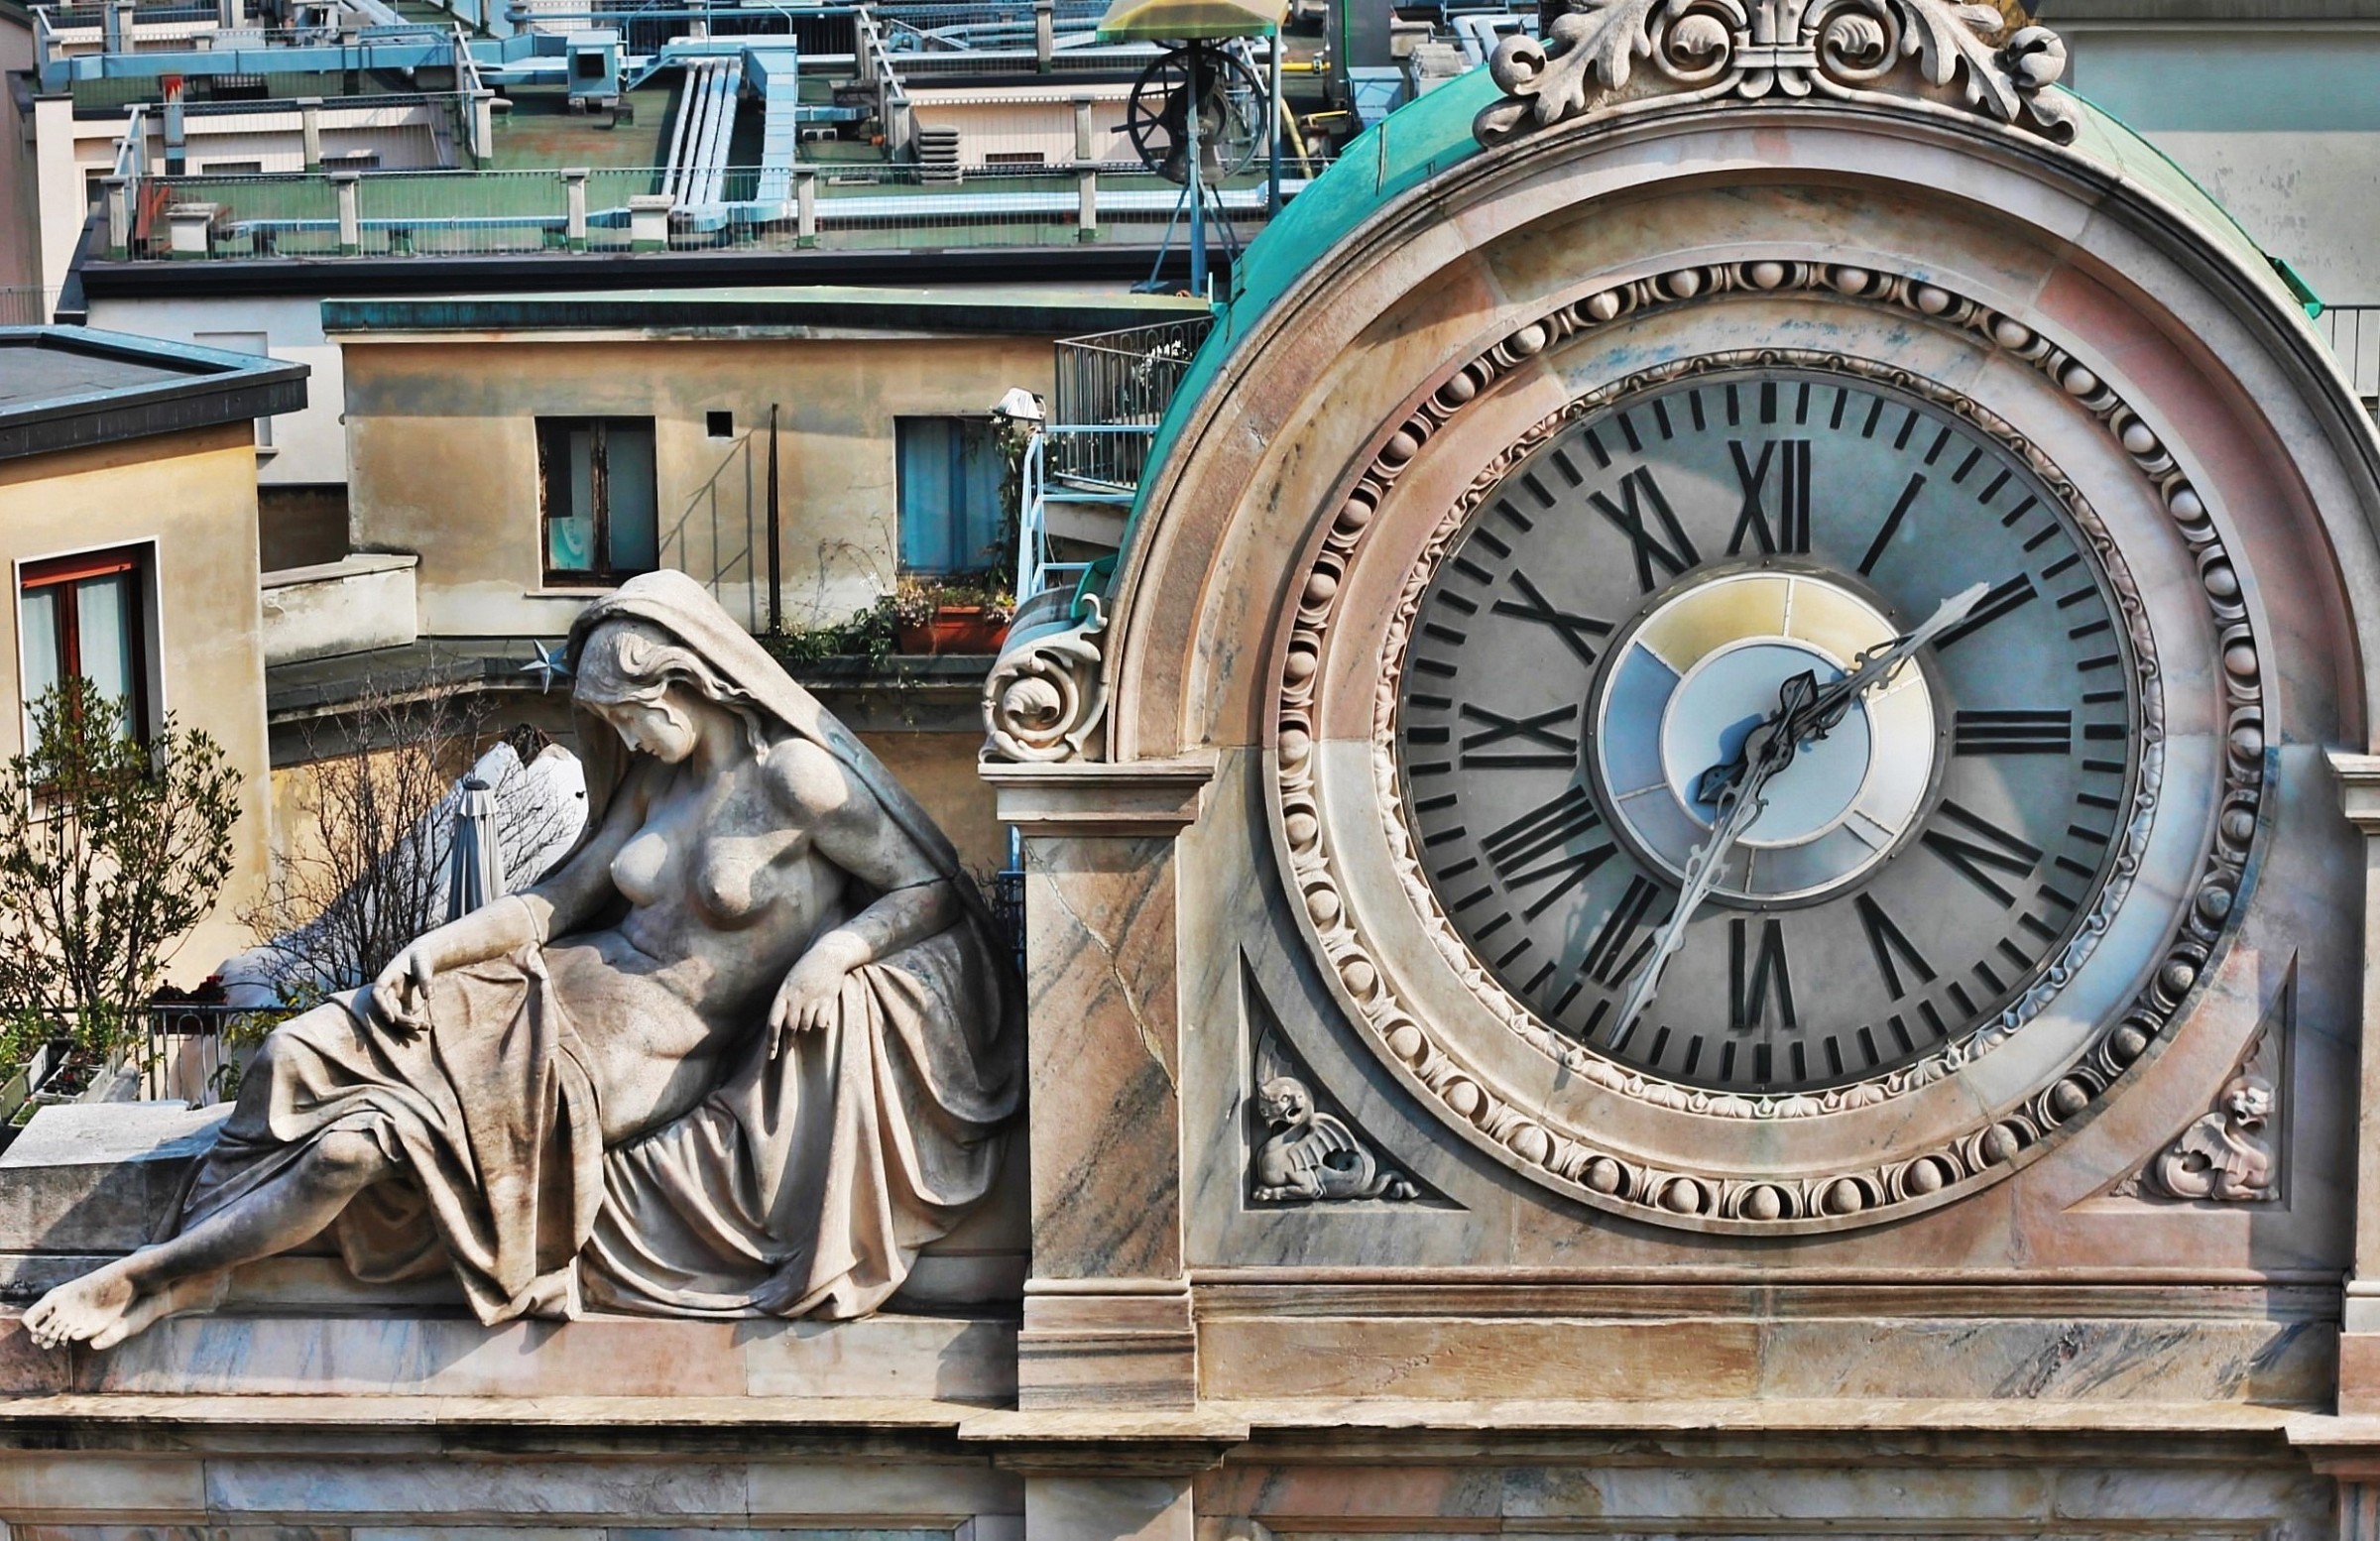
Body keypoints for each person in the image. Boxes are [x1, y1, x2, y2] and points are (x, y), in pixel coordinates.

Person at [25, 571, 1020, 1351]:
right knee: (296, 1053)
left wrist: (835, 954)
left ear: (686, 680)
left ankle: (159, 1276)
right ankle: (197, 1249)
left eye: (624, 712)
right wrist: (434, 947)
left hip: (643, 1052)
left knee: (356, 1148)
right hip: (550, 990)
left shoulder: (797, 780)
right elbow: (554, 904)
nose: (617, 736)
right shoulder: (651, 786)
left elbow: (929, 888)